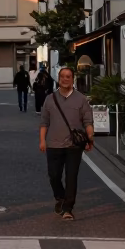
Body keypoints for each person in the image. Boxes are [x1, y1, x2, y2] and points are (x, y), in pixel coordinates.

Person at [39, 66, 94, 221]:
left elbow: (88, 121)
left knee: (71, 177)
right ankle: (60, 197)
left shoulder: (81, 99)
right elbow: (44, 122)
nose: (65, 79)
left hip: (74, 146)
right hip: (53, 144)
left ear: (73, 79)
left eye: (68, 76)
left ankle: (68, 208)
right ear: (59, 78)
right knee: (54, 176)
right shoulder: (50, 99)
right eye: (62, 76)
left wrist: (90, 138)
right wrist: (42, 140)